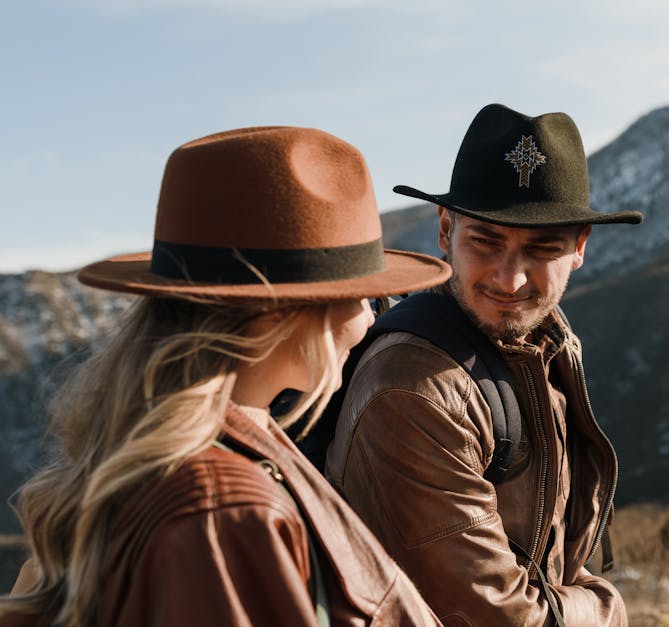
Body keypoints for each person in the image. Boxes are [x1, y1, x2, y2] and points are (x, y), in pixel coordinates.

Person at [0, 126, 450, 626]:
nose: (371, 319)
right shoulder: (218, 512)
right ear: (281, 314)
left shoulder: (202, 455)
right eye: (365, 297)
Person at [325, 104, 643, 626]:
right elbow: (496, 617)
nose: (510, 279)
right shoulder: (413, 388)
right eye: (486, 242)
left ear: (579, 247)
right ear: (446, 231)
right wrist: (606, 608)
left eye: (541, 249)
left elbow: (556, 555)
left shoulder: (544, 343)